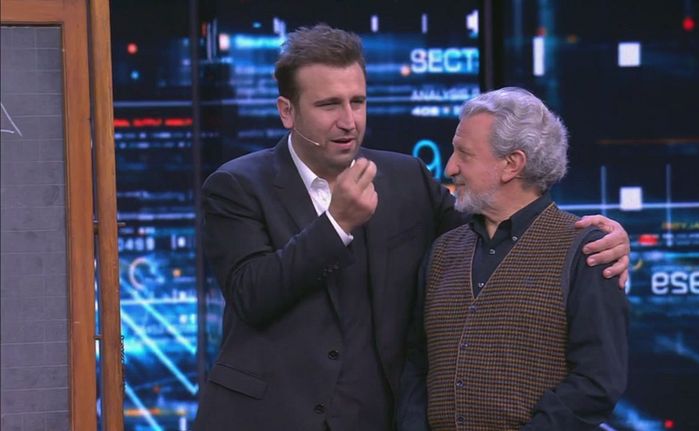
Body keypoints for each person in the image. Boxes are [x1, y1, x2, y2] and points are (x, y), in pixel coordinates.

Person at [194, 25, 629, 431]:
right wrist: (337, 224)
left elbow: (499, 223)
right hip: (268, 416)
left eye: (357, 102)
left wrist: (595, 238)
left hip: (374, 418)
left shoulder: (406, 178)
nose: (349, 120)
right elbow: (252, 294)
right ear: (287, 111)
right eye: (329, 105)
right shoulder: (236, 186)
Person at [397, 87, 629, 431]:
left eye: (464, 154)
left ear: (511, 164)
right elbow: (417, 366)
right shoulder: (443, 251)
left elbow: (596, 383)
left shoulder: (587, 251)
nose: (450, 167)